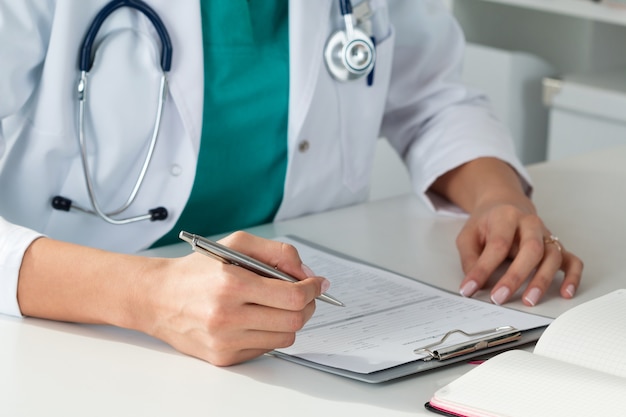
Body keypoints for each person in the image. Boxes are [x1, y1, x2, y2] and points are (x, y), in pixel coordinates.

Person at [0, 0, 582, 366]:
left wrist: (496, 196)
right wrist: (146, 295)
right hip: (66, 340)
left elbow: (429, 97)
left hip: (296, 343)